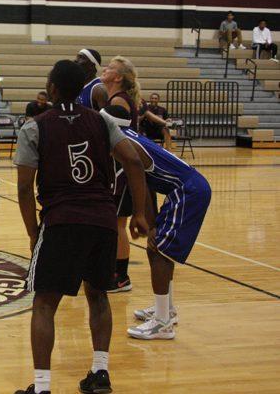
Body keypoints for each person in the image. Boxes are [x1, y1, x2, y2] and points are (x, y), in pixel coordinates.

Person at [12, 60, 149, 394]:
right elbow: (134, 161)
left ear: (53, 89)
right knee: (98, 296)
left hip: (62, 220)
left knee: (44, 303)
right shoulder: (101, 122)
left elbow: (23, 189)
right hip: (102, 220)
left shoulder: (35, 127)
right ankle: (100, 373)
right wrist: (140, 214)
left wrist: (33, 232)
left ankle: (42, 387)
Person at [101, 105, 211, 341]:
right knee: (156, 246)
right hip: (181, 190)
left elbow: (138, 178)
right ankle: (165, 309)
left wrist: (139, 215)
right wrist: (150, 224)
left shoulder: (124, 144)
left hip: (188, 191)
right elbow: (145, 183)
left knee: (160, 251)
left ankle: (163, 323)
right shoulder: (126, 138)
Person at [100, 55, 141, 294]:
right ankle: (112, 270)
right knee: (114, 223)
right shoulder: (116, 99)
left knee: (118, 224)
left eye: (110, 68)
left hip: (121, 171)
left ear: (118, 77)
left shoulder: (119, 103)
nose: (105, 69)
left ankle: (120, 277)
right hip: (116, 170)